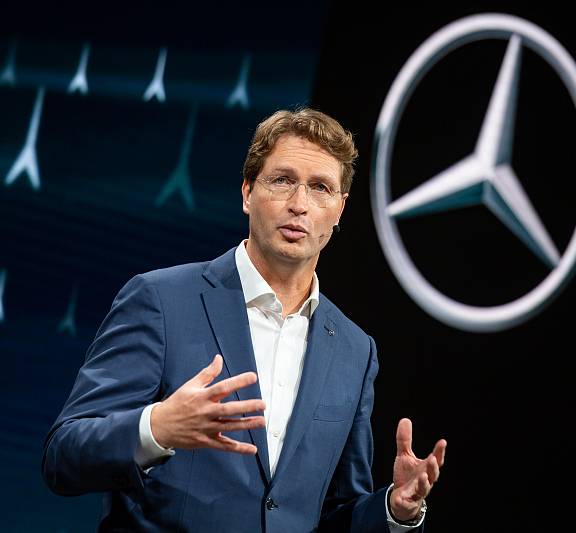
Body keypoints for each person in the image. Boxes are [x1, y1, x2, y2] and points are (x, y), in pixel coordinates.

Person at [41, 108, 446, 532]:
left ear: (339, 209)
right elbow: (63, 457)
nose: (299, 204)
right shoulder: (161, 300)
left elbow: (332, 513)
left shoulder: (354, 349)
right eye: (282, 180)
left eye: (320, 188)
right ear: (248, 193)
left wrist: (393, 510)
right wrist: (155, 428)